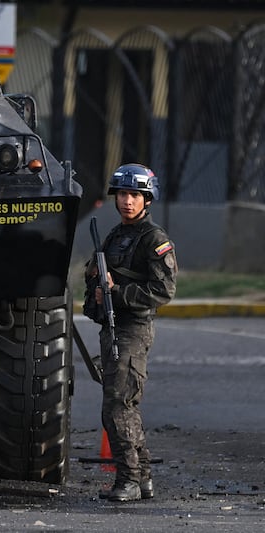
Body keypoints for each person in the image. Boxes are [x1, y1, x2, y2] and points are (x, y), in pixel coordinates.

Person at [84, 163, 178, 502]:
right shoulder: (116, 234)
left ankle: (128, 480)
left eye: (135, 195)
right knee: (124, 405)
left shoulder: (153, 238)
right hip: (113, 327)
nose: (127, 201)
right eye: (123, 194)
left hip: (132, 329)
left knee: (117, 407)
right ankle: (143, 478)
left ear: (147, 199)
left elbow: (163, 290)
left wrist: (117, 293)